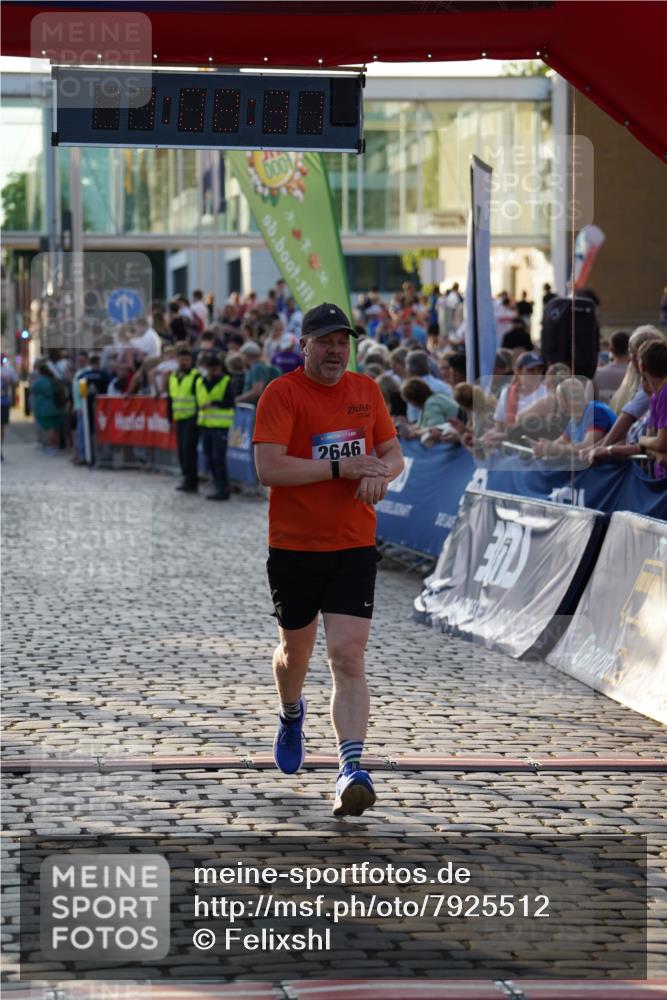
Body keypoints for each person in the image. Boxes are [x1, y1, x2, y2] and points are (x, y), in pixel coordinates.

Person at [252, 302, 404, 818]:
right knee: (295, 656)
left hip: (353, 545)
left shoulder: (366, 390)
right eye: (326, 342)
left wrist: (381, 473)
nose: (337, 351)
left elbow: (393, 453)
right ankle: (291, 713)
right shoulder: (282, 393)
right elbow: (269, 468)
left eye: (344, 342)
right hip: (294, 547)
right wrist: (340, 468)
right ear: (305, 345)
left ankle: (350, 769)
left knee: (347, 655)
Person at [532, 378, 616, 459]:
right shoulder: (575, 417)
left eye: (559, 398)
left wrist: (556, 449)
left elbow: (587, 445)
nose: (558, 403)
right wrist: (545, 446)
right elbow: (561, 442)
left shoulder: (597, 412)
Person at [196, 354, 236, 500]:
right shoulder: (200, 381)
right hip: (205, 425)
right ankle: (217, 486)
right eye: (211, 369)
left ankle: (223, 489)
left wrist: (213, 403)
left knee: (218, 458)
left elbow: (230, 402)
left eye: (216, 369)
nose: (213, 372)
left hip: (220, 426)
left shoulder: (225, 381)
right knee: (210, 458)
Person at [167, 346, 200, 493]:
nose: (184, 362)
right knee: (181, 451)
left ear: (191, 361)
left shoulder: (196, 377)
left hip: (191, 419)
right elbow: (170, 399)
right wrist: (169, 419)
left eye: (186, 360)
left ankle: (192, 481)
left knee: (189, 451)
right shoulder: (173, 377)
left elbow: (200, 398)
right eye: (181, 359)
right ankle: (186, 478)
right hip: (179, 419)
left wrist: (197, 419)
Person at [637, 339, 667, 478]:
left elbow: (660, 442)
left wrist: (641, 439)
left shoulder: (665, 393)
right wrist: (657, 452)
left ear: (642, 367)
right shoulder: (655, 397)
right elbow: (653, 443)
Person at [30, 362, 65, 454]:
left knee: (49, 428)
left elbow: (32, 389)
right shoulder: (55, 379)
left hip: (46, 409)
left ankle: (50, 447)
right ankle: (56, 446)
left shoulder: (40, 381)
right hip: (58, 407)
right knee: (56, 428)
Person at [593, 331, 630, 404]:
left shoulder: (596, 374)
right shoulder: (637, 375)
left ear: (610, 349)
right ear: (629, 349)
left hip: (603, 414)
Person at [1, 356, 18, 459]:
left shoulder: (7, 370)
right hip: (3, 402)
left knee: (1, 427)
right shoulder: (8, 370)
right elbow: (15, 382)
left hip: (3, 402)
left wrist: (7, 380)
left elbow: (15, 382)